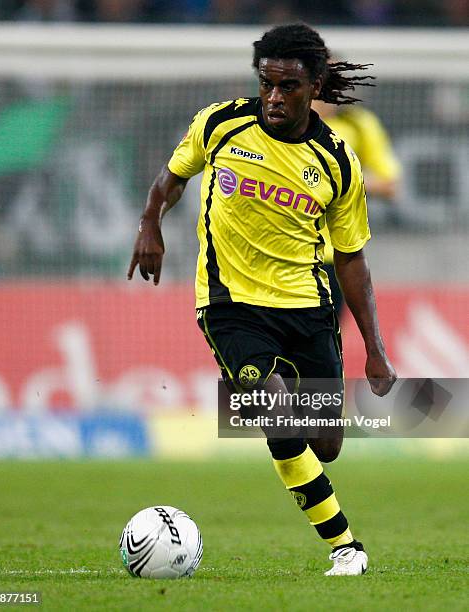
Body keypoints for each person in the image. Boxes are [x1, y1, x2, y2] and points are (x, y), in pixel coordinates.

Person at [128, 22, 397, 576]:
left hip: (308, 306)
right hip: (229, 304)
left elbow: (351, 260)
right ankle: (346, 547)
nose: (274, 97)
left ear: (315, 85)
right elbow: (171, 176)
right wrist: (150, 222)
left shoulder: (338, 161)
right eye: (267, 83)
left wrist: (374, 346)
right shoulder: (221, 124)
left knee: (325, 444)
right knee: (275, 411)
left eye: (289, 87)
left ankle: (296, 446)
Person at [312, 94, 402, 318]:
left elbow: (390, 185)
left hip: (331, 256)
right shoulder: (280, 123)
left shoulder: (358, 124)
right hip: (276, 253)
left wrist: (339, 182)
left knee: (320, 344)